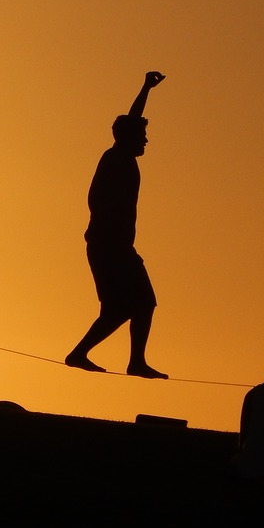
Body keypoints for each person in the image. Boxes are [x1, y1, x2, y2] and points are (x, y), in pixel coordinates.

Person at [65, 71, 168, 378]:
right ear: (129, 139)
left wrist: (146, 88)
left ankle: (88, 354)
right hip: (110, 247)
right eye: (142, 136)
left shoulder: (122, 156)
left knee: (130, 306)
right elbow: (97, 201)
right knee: (136, 303)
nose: (147, 140)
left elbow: (133, 118)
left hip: (116, 246)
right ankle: (125, 360)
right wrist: (113, 239)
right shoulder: (116, 159)